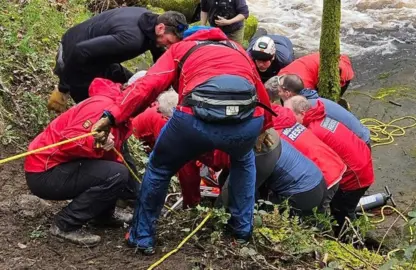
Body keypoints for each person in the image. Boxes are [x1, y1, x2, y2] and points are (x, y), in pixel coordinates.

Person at [91, 26, 275, 254]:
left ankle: (142, 237)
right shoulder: (237, 49)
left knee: (159, 168)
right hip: (245, 122)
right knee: (244, 161)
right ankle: (241, 232)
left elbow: (148, 85)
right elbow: (260, 91)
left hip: (193, 120)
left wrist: (112, 115)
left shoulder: (181, 48)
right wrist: (265, 127)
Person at [24, 78, 138, 247]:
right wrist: (95, 141)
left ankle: (103, 216)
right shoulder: (103, 107)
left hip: (58, 166)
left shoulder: (117, 110)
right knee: (116, 173)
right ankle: (65, 224)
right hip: (45, 171)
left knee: (117, 170)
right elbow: (69, 140)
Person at [47, 8, 188, 111]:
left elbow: (159, 54)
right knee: (94, 111)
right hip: (72, 59)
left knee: (132, 84)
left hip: (95, 56)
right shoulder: (132, 40)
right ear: (161, 28)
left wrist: (171, 82)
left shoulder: (149, 21)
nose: (168, 47)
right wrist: (63, 88)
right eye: (168, 42)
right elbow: (79, 51)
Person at [284, 96, 374, 234]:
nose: (287, 119)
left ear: (301, 113)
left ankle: (351, 242)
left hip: (356, 175)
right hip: (361, 161)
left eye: (289, 114)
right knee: (340, 206)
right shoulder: (319, 116)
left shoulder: (313, 131)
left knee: (342, 213)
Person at [219, 129, 328, 217]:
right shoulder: (268, 135)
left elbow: (235, 193)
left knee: (262, 217)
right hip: (316, 180)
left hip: (303, 191)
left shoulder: (258, 153)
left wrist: (216, 213)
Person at [272, 104, 347, 210]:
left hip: (325, 176)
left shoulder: (275, 137)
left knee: (320, 214)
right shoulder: (286, 119)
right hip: (334, 164)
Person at [265, 75, 371, 145]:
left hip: (361, 142)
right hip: (363, 135)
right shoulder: (313, 99)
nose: (277, 94)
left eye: (278, 91)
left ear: (287, 93)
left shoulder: (305, 109)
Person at [277, 52, 355, 98]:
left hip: (339, 72)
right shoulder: (281, 76)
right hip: (318, 65)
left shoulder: (304, 86)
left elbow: (312, 102)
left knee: (327, 100)